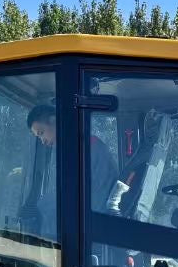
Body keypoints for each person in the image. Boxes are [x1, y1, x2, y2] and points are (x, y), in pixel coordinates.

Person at [22, 99, 120, 239]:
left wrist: (43, 208)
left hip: (89, 232)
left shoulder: (88, 148)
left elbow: (92, 197)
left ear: (54, 120)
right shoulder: (73, 150)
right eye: (39, 137)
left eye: (41, 133)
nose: (42, 141)